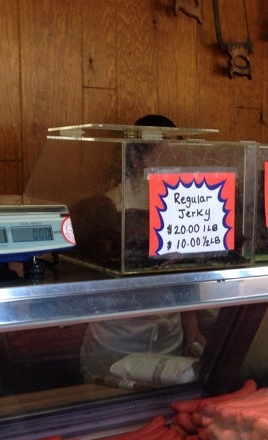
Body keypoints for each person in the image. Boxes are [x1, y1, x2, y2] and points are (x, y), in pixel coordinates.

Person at [79, 114, 207, 384]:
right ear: (136, 158)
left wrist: (192, 327)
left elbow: (186, 276)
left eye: (177, 156)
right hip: (114, 345)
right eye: (162, 158)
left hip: (170, 345)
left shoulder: (184, 205)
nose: (172, 165)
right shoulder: (105, 210)